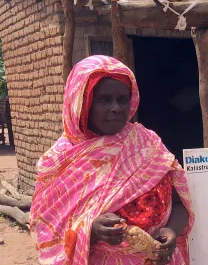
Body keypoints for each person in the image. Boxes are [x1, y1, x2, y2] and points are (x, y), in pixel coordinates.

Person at [30, 56, 195, 264]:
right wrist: (91, 230)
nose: (116, 108)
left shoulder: (147, 145)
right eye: (103, 100)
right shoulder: (59, 162)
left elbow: (180, 204)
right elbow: (48, 233)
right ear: (81, 103)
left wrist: (170, 230)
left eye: (122, 99)